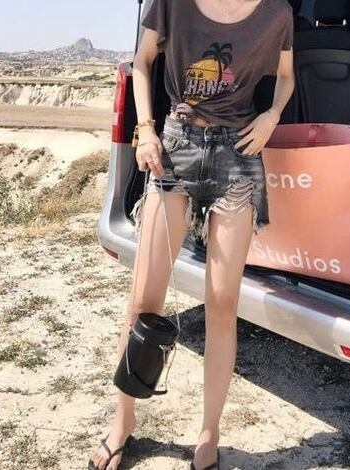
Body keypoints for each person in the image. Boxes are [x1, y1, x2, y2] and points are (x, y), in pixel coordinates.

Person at [88, 0, 294, 468]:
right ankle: (123, 421)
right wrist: (145, 130)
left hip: (239, 155)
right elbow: (142, 62)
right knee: (143, 301)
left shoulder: (277, 13)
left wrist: (272, 115)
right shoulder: (171, 3)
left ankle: (208, 434)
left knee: (222, 302)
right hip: (175, 147)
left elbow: (286, 76)